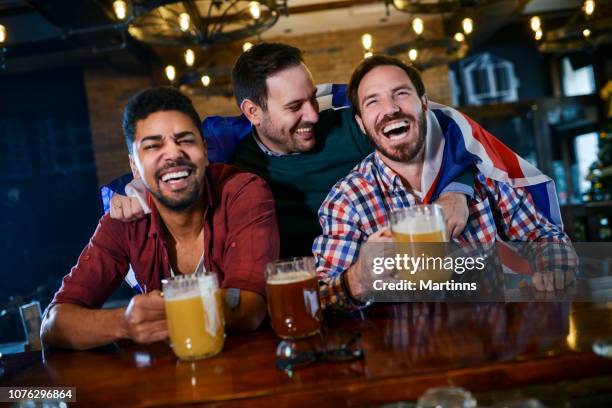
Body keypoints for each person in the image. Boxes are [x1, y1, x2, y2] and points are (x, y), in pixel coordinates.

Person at [111, 43, 473, 258]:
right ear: (252, 113)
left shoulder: (353, 126)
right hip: (305, 293)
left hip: (400, 277)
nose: (313, 115)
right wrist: (136, 190)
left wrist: (458, 187)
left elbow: (435, 132)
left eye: (313, 98)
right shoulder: (235, 161)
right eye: (294, 107)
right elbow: (168, 167)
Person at [313, 55, 574, 312]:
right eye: (373, 101)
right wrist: (357, 279)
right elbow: (320, 298)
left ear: (425, 104)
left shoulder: (481, 173)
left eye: (401, 93)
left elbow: (543, 235)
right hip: (404, 349)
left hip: (491, 339)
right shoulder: (347, 201)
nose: (391, 109)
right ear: (361, 124)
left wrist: (553, 269)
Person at [41, 87, 279, 350]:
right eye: (153, 146)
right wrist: (124, 323)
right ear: (135, 167)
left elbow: (249, 308)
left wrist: (163, 313)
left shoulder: (242, 192)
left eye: (185, 140)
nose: (173, 154)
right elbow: (53, 324)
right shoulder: (124, 221)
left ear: (205, 148)